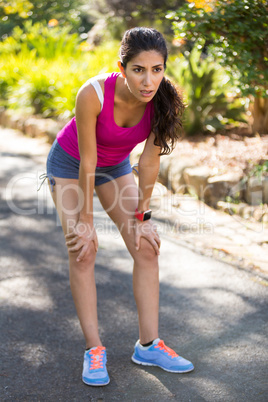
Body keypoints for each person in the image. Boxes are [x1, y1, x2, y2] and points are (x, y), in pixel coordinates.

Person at [44, 27, 194, 386]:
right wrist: (85, 220)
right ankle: (94, 350)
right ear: (121, 67)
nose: (148, 80)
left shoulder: (162, 101)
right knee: (83, 251)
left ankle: (148, 345)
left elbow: (149, 164)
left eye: (157, 69)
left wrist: (143, 217)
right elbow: (87, 160)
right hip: (71, 165)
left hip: (115, 168)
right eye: (138, 69)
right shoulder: (93, 93)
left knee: (146, 248)